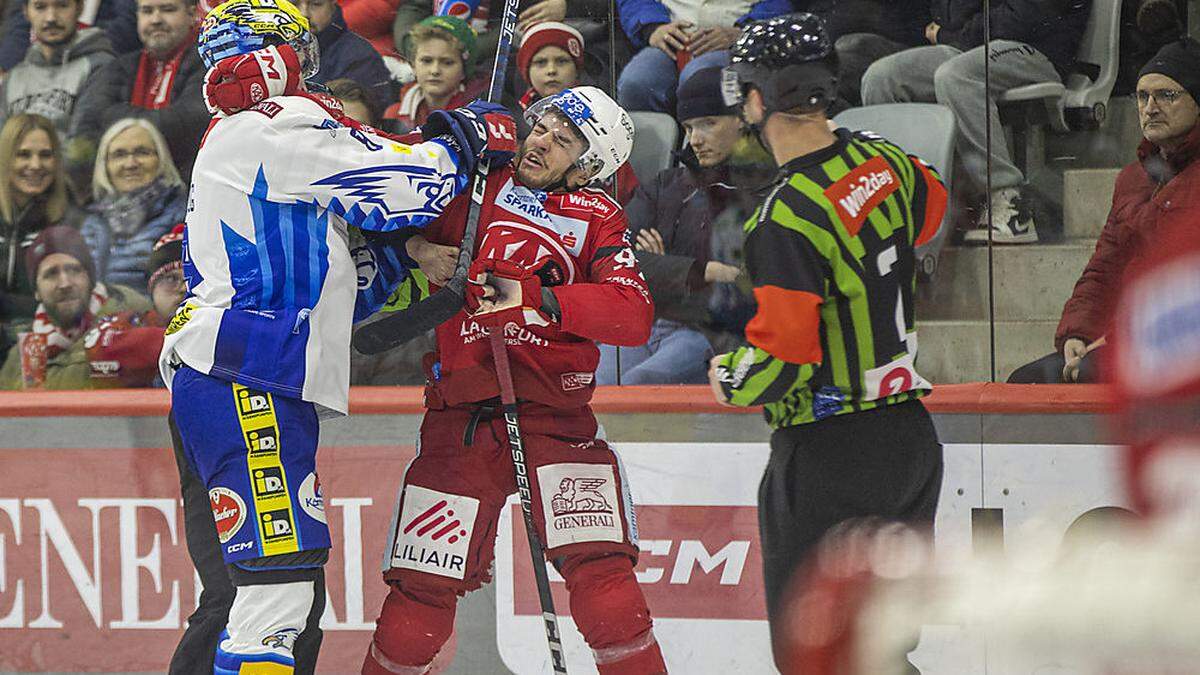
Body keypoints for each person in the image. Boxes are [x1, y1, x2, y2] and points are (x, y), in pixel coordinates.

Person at [163, 0, 515, 670]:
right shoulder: (275, 122)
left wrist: (401, 260)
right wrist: (466, 135)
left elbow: (326, 278)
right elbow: (410, 186)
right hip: (248, 377)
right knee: (276, 599)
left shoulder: (235, 133)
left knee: (262, 596)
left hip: (230, 374)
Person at [362, 86, 666, 675]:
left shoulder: (600, 216)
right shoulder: (480, 185)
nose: (543, 140)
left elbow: (633, 314)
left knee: (603, 575)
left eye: (565, 138)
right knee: (420, 587)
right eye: (543, 127)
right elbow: (382, 206)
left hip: (558, 420)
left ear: (588, 164)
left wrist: (539, 298)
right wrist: (421, 247)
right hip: (462, 422)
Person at [707, 14, 947, 670]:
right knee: (879, 649)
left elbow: (784, 359)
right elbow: (933, 205)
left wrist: (731, 374)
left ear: (756, 100)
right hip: (911, 444)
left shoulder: (784, 215)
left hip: (831, 454)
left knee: (820, 657)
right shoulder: (881, 158)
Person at [1008, 38, 1200, 384]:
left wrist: (1120, 337)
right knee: (1026, 380)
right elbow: (1103, 268)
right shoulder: (1132, 179)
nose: (1151, 107)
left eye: (1167, 95)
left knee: (1092, 374)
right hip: (1130, 341)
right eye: (1143, 96)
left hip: (1179, 344)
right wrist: (1078, 333)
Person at [861, 0, 1091, 245]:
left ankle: (1010, 205)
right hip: (968, 46)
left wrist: (949, 34)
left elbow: (1025, 17)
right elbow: (944, 15)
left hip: (1036, 48)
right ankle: (904, 202)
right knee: (882, 77)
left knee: (957, 75)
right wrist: (951, 32)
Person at [597, 66, 750, 385]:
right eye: (689, 127)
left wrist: (665, 267)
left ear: (742, 120)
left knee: (643, 382)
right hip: (648, 322)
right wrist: (705, 270)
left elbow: (741, 283)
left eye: (709, 123)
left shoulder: (760, 191)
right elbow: (616, 258)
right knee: (595, 383)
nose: (696, 139)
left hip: (708, 333)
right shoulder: (666, 184)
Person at [70, 0, 209, 184]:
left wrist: (116, 117)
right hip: (117, 195)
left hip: (188, 190)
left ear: (192, 15)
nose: (156, 19)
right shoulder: (117, 67)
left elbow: (186, 124)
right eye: (147, 11)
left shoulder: (208, 64)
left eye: (167, 9)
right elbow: (88, 125)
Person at [0, 224, 155, 388]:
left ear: (90, 278)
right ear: (36, 291)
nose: (65, 283)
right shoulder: (20, 357)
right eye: (51, 274)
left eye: (74, 270)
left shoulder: (133, 323)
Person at [515, 20, 639, 204]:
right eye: (541, 62)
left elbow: (621, 198)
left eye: (562, 61)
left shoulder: (602, 123)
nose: (551, 70)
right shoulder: (507, 119)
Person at [614, 0, 789, 113]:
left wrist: (744, 32)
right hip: (671, 39)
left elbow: (779, 5)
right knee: (636, 84)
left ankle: (703, 167)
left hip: (734, 43)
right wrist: (652, 26)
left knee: (699, 82)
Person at [80, 118, 187, 288]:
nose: (130, 164)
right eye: (119, 155)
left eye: (142, 152)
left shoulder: (181, 214)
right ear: (105, 165)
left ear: (160, 159)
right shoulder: (92, 221)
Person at [0, 114, 83, 332]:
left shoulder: (71, 217)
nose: (35, 165)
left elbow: (66, 301)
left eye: (45, 155)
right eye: (23, 155)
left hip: (48, 333)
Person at [0, 0, 115, 138]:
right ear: (26, 12)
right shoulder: (13, 78)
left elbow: (84, 145)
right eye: (40, 7)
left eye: (62, 5)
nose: (51, 18)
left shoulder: (99, 66)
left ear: (80, 8)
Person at [383, 15, 483, 133]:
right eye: (426, 61)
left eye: (447, 62)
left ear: (464, 70)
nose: (435, 70)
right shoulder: (394, 116)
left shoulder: (480, 119)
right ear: (413, 65)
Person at [295, 0, 394, 111]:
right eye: (293, 4)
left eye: (316, 4)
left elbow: (363, 120)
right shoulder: (274, 47)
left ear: (333, 3)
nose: (303, 13)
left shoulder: (360, 57)